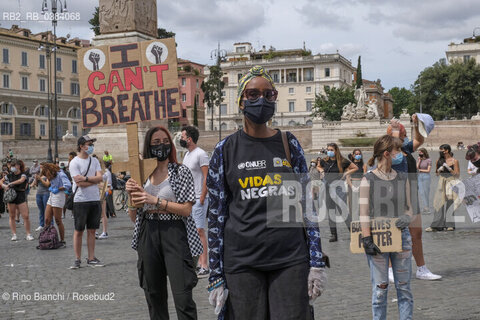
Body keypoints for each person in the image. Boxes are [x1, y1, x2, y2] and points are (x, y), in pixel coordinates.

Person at [207, 66, 327, 319]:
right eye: (252, 94)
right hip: (241, 261)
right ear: (241, 101)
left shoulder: (288, 142)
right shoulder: (224, 150)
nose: (261, 100)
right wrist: (216, 274)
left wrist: (316, 262)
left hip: (289, 258)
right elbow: (216, 215)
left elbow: (307, 204)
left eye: (268, 94)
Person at [127, 125, 200, 320]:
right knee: (153, 295)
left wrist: (155, 201)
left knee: (183, 297)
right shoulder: (141, 175)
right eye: (157, 143)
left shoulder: (180, 172)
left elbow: (186, 209)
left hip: (174, 232)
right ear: (149, 147)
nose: (162, 146)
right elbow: (134, 217)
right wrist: (131, 197)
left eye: (166, 141)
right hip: (148, 232)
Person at [359, 135, 414, 320]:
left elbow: (409, 208)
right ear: (387, 154)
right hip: (377, 238)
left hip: (401, 236)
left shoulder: (402, 177)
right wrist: (367, 239)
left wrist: (407, 218)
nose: (401, 154)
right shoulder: (368, 179)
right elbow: (363, 212)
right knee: (380, 290)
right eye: (397, 150)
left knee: (404, 288)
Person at [387, 118, 441, 281]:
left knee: (416, 234)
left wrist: (416, 124)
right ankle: (390, 268)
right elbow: (395, 157)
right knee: (394, 233)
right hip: (394, 197)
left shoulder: (406, 148)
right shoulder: (388, 149)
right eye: (401, 131)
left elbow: (420, 140)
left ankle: (421, 268)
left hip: (411, 197)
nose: (403, 133)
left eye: (402, 131)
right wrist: (395, 129)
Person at [69, 135, 104, 269]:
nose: (91, 146)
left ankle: (91, 257)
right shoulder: (74, 162)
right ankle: (77, 258)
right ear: (81, 146)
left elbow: (100, 178)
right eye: (89, 144)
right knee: (79, 230)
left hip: (94, 199)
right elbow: (80, 183)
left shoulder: (94, 160)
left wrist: (86, 178)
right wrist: (92, 180)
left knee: (92, 230)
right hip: (80, 200)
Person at [181, 125, 210, 278]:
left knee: (199, 230)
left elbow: (207, 176)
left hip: (199, 197)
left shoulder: (201, 154)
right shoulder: (186, 155)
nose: (181, 139)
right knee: (191, 232)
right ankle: (197, 263)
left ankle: (204, 264)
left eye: (183, 136)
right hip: (188, 199)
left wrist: (202, 196)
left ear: (189, 139)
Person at [317, 142, 358, 242]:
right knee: (331, 211)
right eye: (328, 150)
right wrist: (321, 171)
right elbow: (318, 166)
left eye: (331, 150)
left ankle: (353, 233)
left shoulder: (343, 161)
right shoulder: (324, 160)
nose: (329, 152)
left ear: (336, 151)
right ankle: (333, 235)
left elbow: (355, 167)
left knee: (343, 210)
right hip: (327, 187)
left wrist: (346, 172)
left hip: (338, 188)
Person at [427, 144, 460, 232]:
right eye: (440, 150)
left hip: (451, 181)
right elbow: (436, 173)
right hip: (441, 181)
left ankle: (450, 225)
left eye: (442, 150)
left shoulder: (455, 161)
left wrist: (450, 169)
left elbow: (457, 174)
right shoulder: (438, 160)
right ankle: (437, 225)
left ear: (447, 150)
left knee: (450, 203)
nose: (441, 152)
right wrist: (439, 170)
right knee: (438, 203)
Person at [2, 160, 34, 241]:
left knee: (25, 216)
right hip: (11, 195)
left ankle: (28, 234)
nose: (12, 167)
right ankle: (14, 234)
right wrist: (3, 185)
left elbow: (21, 180)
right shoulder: (9, 175)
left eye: (14, 165)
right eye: (11, 166)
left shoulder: (23, 174)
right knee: (12, 216)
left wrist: (11, 183)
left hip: (20, 195)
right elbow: (1, 181)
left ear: (18, 166)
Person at [42, 163, 68, 247]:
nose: (47, 177)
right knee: (47, 219)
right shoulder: (51, 175)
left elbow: (67, 185)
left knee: (57, 220)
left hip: (59, 194)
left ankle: (62, 240)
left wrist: (57, 189)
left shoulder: (61, 174)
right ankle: (47, 238)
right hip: (52, 194)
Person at [348, 149, 365, 221]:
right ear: (353, 155)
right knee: (353, 204)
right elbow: (347, 176)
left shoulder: (364, 165)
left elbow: (365, 176)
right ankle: (354, 220)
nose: (358, 155)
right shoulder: (350, 165)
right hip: (353, 184)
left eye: (359, 154)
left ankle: (362, 221)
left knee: (362, 204)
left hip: (361, 184)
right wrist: (352, 186)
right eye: (356, 154)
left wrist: (362, 185)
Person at [33, 163, 50, 232]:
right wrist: (36, 179)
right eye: (40, 167)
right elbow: (36, 185)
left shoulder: (48, 175)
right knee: (41, 210)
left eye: (41, 167)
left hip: (46, 193)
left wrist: (40, 179)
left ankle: (48, 225)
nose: (40, 168)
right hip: (39, 194)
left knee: (47, 210)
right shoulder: (40, 175)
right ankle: (41, 224)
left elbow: (47, 184)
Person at [416, 148, 432, 215]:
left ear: (424, 153)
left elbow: (428, 170)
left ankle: (426, 207)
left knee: (426, 192)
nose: (420, 154)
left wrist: (420, 170)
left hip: (426, 177)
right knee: (422, 192)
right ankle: (426, 207)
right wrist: (419, 160)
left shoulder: (429, 160)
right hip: (420, 177)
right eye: (419, 153)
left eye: (421, 153)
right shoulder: (419, 159)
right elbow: (416, 168)